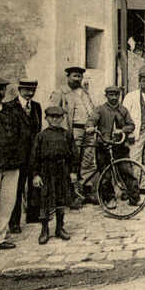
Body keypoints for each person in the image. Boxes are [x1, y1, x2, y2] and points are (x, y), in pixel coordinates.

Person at [49, 66, 96, 209]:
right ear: (68, 77)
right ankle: (73, 195)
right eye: (75, 76)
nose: (77, 79)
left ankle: (86, 191)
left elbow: (92, 110)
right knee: (73, 161)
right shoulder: (60, 92)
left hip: (88, 130)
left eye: (80, 77)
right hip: (73, 131)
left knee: (88, 160)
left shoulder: (84, 92)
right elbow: (53, 113)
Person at [31, 106, 78, 245]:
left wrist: (73, 171)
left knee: (61, 199)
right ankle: (44, 230)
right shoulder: (41, 136)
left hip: (62, 170)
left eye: (58, 117)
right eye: (51, 117)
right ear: (46, 118)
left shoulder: (67, 134)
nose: (55, 119)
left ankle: (59, 228)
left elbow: (74, 154)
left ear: (62, 118)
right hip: (46, 171)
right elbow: (34, 157)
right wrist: (36, 175)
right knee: (45, 200)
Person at [86, 86, 139, 208]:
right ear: (106, 96)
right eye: (111, 95)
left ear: (119, 96)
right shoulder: (100, 109)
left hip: (120, 146)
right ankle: (109, 198)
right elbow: (92, 120)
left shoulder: (123, 110)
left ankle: (134, 197)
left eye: (116, 95)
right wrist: (90, 127)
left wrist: (122, 130)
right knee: (106, 175)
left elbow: (131, 125)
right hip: (103, 145)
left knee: (127, 171)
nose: (114, 97)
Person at [8, 79, 43, 232]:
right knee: (16, 188)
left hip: (33, 153)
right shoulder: (10, 107)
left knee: (34, 184)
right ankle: (14, 222)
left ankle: (33, 215)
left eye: (32, 90)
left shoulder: (36, 107)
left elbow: (38, 129)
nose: (30, 93)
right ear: (19, 89)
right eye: (27, 90)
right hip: (17, 155)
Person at [122, 68, 145, 191]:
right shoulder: (130, 96)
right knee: (134, 159)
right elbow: (124, 115)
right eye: (143, 81)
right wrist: (129, 132)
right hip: (137, 132)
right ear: (139, 82)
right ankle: (133, 187)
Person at [0, 77, 22, 253]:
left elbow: (20, 135)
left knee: (7, 202)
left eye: (1, 90)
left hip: (11, 164)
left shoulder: (10, 112)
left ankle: (0, 237)